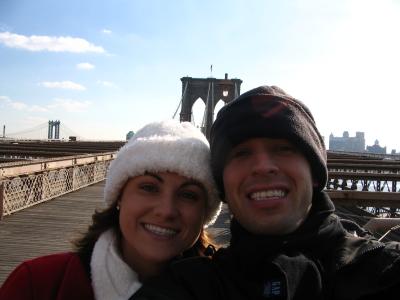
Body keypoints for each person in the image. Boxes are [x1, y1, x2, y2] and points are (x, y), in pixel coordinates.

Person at [132, 86, 400, 300]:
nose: (262, 166)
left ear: (316, 174)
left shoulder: (385, 268)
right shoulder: (188, 287)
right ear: (222, 183)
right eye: (241, 153)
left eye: (284, 148)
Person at [0, 120, 221, 300]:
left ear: (205, 213)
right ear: (119, 197)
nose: (166, 210)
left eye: (188, 195)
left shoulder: (227, 291)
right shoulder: (37, 285)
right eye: (148, 187)